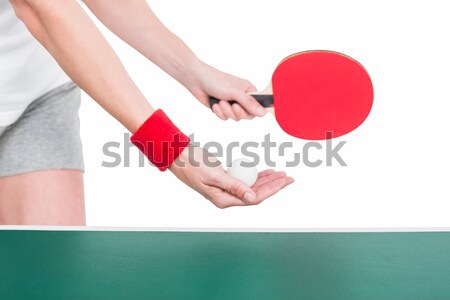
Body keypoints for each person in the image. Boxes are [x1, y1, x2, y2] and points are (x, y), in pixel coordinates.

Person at [0, 0, 293, 226]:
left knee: (50, 281)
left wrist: (194, 71)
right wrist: (169, 147)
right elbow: (40, 6)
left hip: (37, 94)